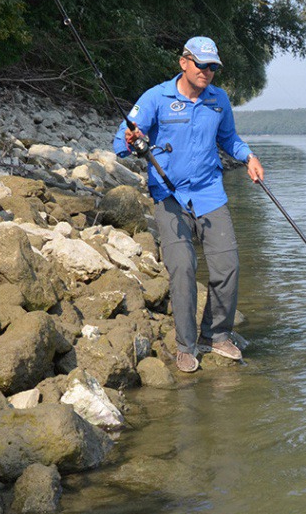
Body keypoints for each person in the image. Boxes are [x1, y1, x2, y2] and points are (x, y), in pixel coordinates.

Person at [113, 36, 264, 373]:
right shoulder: (156, 97)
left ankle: (216, 333)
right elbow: (121, 142)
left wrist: (249, 157)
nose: (208, 72)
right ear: (184, 62)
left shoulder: (218, 100)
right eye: (202, 65)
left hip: (210, 193)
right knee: (182, 268)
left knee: (228, 267)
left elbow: (229, 139)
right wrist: (131, 140)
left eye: (213, 67)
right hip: (170, 197)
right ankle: (186, 344)